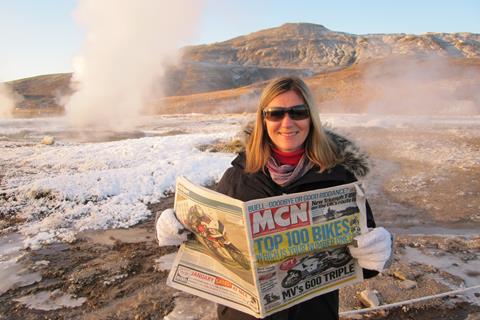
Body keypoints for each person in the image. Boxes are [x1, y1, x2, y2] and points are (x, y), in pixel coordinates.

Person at [156, 76, 393, 320]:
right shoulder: (236, 177)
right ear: (263, 120)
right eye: (276, 114)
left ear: (311, 118)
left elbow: (364, 261)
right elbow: (206, 233)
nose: (287, 122)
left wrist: (377, 251)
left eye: (298, 112)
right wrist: (176, 226)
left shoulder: (339, 178)